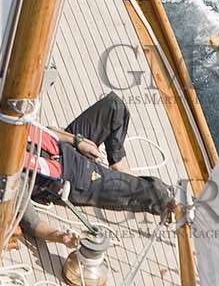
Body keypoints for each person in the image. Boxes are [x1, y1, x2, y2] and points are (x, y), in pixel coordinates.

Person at [14, 93, 175, 237]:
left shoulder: (8, 128)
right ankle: (175, 206)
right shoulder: (11, 175)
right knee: (153, 191)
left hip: (65, 147)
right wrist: (60, 237)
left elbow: (45, 131)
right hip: (73, 178)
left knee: (114, 106)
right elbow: (32, 223)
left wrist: (77, 140)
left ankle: (117, 164)